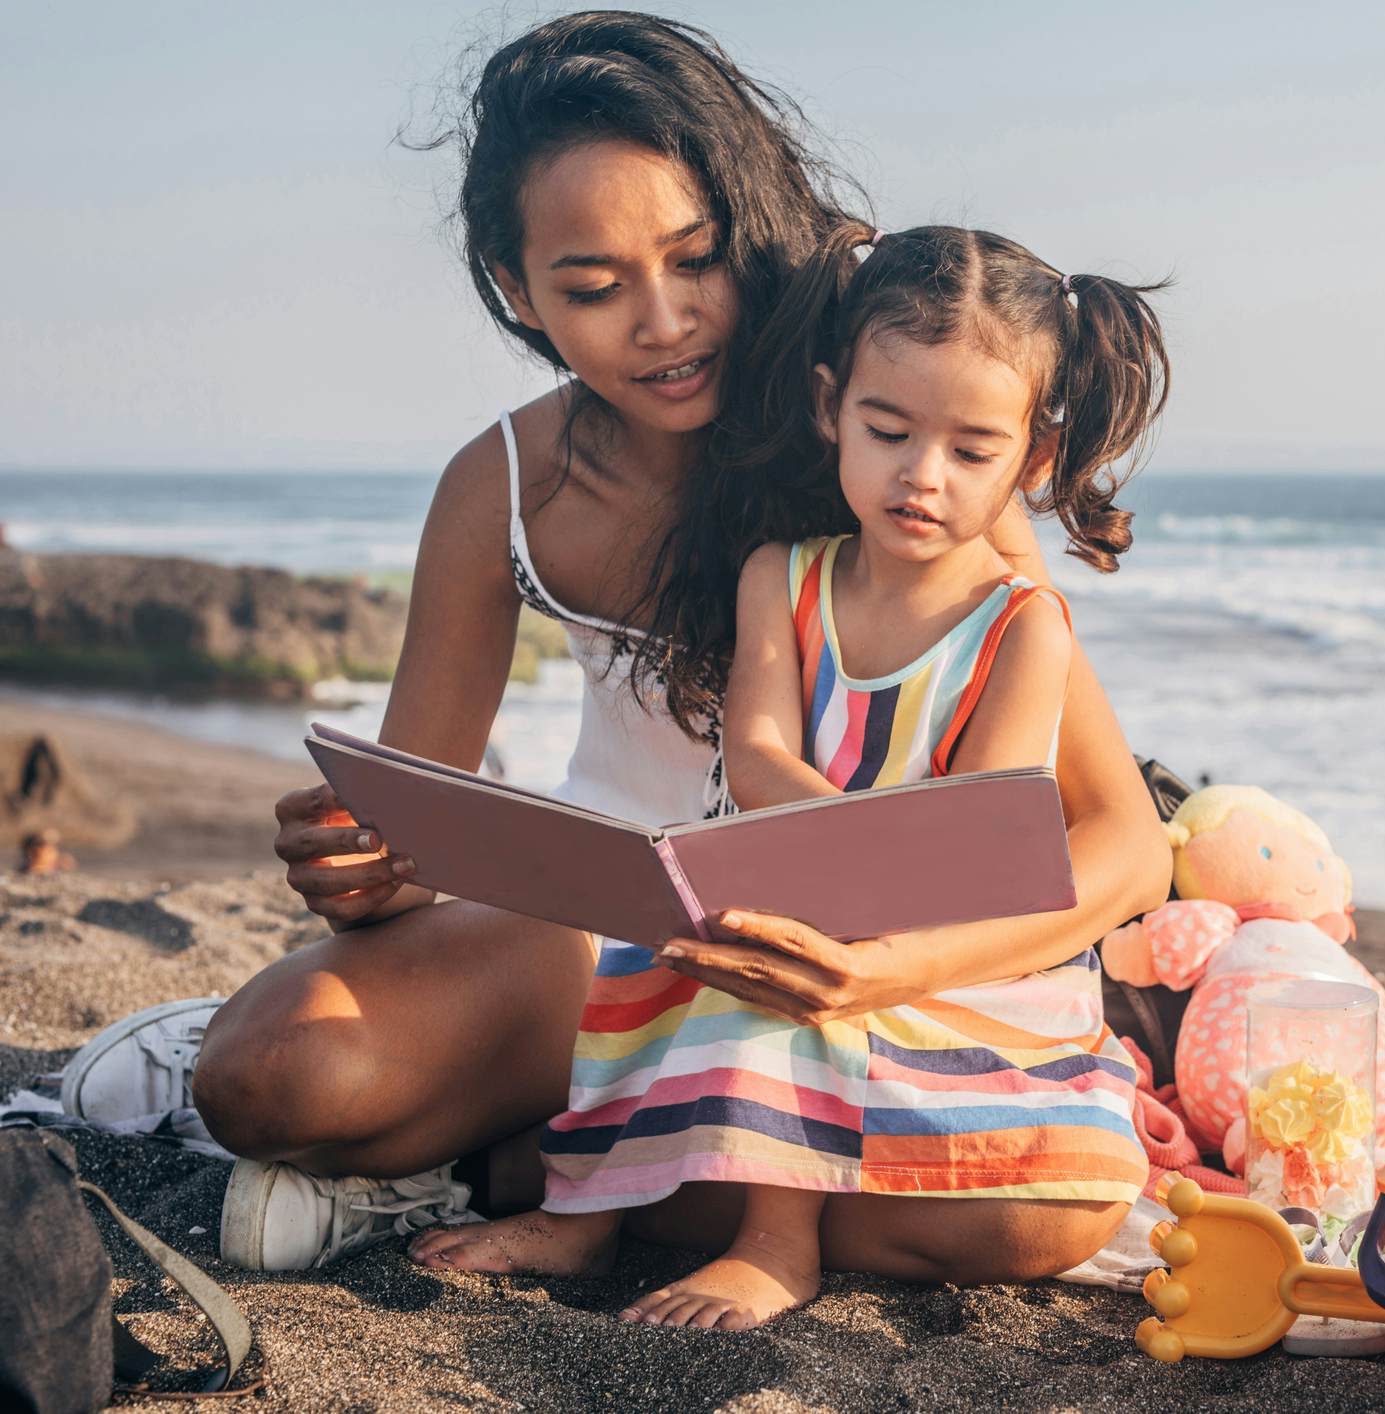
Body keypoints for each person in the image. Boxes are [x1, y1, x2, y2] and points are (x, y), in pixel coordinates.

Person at [186, 14, 1171, 1279]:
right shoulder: (503, 483)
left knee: (1033, 1217)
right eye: (593, 288)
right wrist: (366, 866)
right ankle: (620, 1161)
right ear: (514, 289)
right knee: (272, 1076)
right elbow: (417, 840)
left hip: (845, 966)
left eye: (695, 259)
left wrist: (881, 968)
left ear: (748, 227)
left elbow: (1124, 839)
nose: (661, 322)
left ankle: (525, 1171)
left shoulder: (882, 444)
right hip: (586, 947)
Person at [409, 223, 1169, 1327]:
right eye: (888, 429)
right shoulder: (785, 578)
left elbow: (982, 834)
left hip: (939, 955)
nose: (921, 475)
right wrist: (835, 860)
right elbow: (758, 752)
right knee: (697, 954)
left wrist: (867, 895)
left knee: (1033, 1162)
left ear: (1030, 463)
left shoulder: (1022, 625)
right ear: (830, 410)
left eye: (970, 451)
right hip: (797, 892)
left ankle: (761, 1228)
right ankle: (616, 1222)